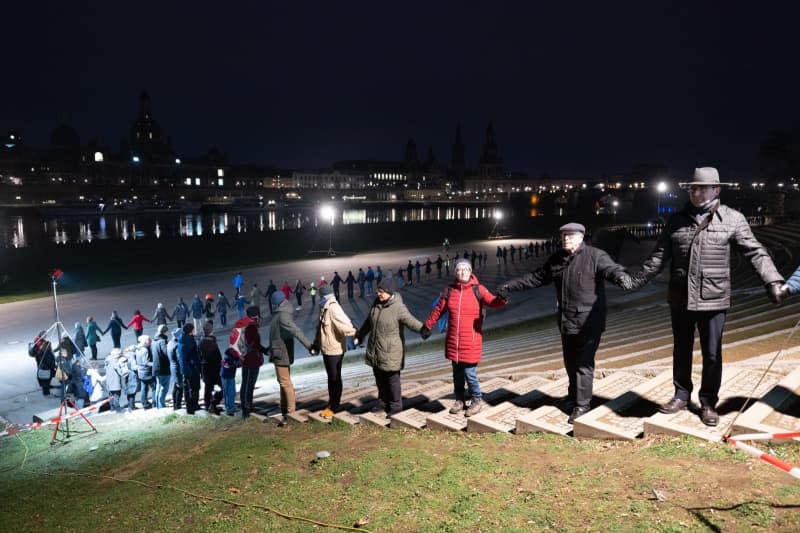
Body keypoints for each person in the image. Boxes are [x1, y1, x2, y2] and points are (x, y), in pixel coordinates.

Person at [631, 167, 784, 427]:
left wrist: (772, 279)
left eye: (701, 187)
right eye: (692, 187)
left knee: (712, 354)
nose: (695, 191)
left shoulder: (732, 219)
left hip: (713, 299)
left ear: (716, 190)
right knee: (681, 350)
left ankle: (709, 403)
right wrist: (635, 280)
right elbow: (659, 255)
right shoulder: (676, 220)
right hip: (680, 297)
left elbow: (755, 252)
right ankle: (681, 396)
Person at [497, 222, 636, 424]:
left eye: (570, 235)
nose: (566, 239)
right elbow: (536, 278)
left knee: (583, 364)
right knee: (570, 363)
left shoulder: (595, 255)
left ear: (581, 237)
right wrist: (509, 286)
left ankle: (583, 405)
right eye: (563, 236)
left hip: (589, 321)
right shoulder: (557, 259)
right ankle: (573, 397)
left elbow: (611, 269)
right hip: (566, 321)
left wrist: (622, 277)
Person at [424, 258, 507, 417]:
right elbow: (438, 310)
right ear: (455, 272)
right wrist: (427, 326)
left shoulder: (479, 289)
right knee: (457, 374)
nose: (462, 272)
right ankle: (460, 399)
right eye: (459, 269)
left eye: (465, 269)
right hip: (454, 342)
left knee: (470, 373)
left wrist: (501, 298)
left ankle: (476, 400)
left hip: (471, 341)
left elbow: (493, 302)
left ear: (470, 272)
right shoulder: (449, 291)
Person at [355, 281, 428, 416]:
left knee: (392, 380)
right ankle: (383, 402)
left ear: (389, 292)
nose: (378, 293)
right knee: (379, 378)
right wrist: (360, 335)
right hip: (376, 349)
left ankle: (395, 406)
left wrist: (422, 328)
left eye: (381, 291)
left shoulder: (398, 307)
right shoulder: (376, 304)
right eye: (378, 291)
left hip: (391, 351)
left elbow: (409, 320)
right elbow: (368, 322)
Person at [269, 291, 313, 425]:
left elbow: (295, 331)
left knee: (285, 382)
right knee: (283, 382)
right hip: (279, 350)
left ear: (275, 303)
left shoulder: (282, 315)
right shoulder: (282, 312)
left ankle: (291, 412)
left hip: (280, 352)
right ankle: (284, 409)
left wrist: (309, 346)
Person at [312, 284, 356, 418]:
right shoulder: (325, 307)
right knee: (332, 378)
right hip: (328, 349)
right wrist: (317, 345)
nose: (319, 299)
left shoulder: (333, 308)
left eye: (321, 296)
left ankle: (334, 406)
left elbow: (347, 326)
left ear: (325, 296)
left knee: (334, 378)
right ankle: (332, 403)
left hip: (334, 350)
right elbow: (321, 330)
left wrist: (356, 335)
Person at [239, 306, 268, 418]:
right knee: (250, 383)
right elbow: (254, 344)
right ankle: (247, 406)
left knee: (245, 382)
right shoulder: (252, 327)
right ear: (256, 316)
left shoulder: (245, 325)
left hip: (245, 358)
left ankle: (244, 405)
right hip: (252, 359)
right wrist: (264, 350)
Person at [198, 320, 222, 413]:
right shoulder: (212, 343)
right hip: (214, 369)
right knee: (221, 387)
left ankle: (208, 405)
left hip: (205, 369)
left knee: (208, 388)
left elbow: (199, 356)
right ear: (211, 331)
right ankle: (213, 404)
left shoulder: (200, 342)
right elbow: (218, 357)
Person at [177, 323, 201, 414]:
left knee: (192, 388)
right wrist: (187, 371)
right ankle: (192, 407)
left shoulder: (186, 339)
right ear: (190, 330)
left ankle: (193, 405)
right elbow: (183, 359)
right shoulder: (185, 342)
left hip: (191, 368)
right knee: (192, 388)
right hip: (191, 369)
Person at [29, 330, 55, 396]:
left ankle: (46, 387)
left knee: (45, 375)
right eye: (45, 335)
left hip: (41, 361)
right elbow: (47, 358)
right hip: (43, 362)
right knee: (45, 376)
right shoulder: (41, 344)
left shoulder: (39, 341)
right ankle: (46, 390)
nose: (46, 336)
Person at [151, 325, 171, 409]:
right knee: (164, 388)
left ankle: (157, 406)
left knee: (159, 387)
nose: (168, 333)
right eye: (167, 331)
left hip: (156, 369)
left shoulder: (155, 341)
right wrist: (169, 345)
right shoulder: (162, 341)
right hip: (163, 368)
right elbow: (166, 353)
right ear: (165, 332)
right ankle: (161, 407)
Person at [134, 335, 155, 409]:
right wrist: (155, 363)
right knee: (154, 387)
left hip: (141, 372)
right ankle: (154, 403)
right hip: (147, 372)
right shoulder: (145, 350)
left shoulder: (138, 348)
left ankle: (144, 403)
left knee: (144, 388)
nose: (151, 341)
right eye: (149, 340)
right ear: (145, 341)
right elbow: (145, 362)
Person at [167, 328, 184, 410]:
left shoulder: (170, 343)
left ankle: (175, 404)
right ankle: (177, 405)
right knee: (180, 387)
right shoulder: (177, 345)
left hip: (172, 367)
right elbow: (179, 358)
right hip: (177, 368)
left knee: (175, 386)